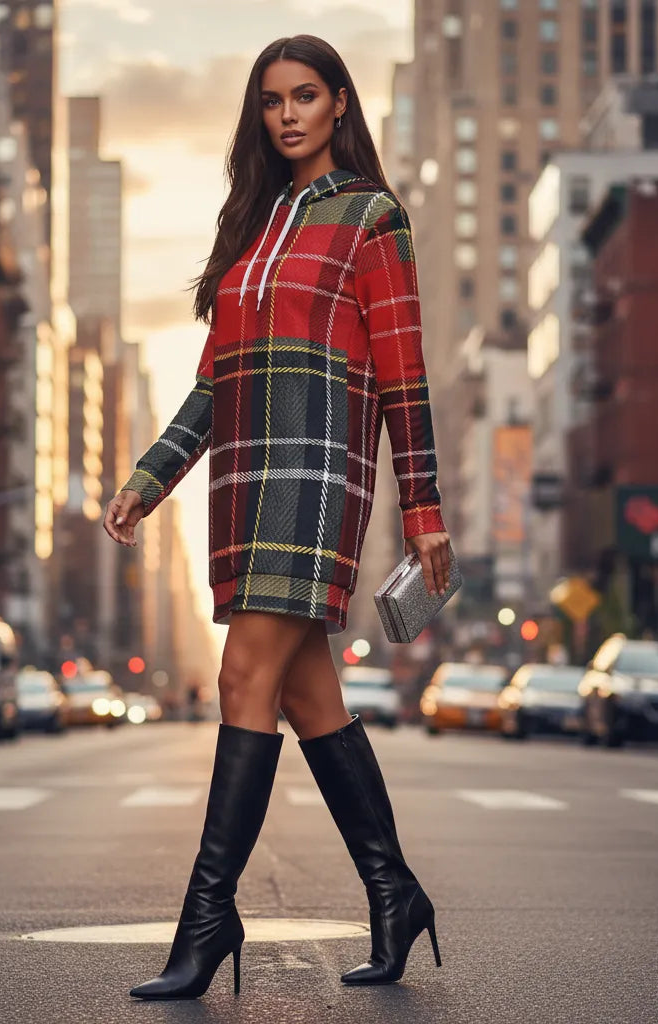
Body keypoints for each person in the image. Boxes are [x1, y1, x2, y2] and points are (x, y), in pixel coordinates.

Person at [104, 35, 449, 1001]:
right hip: (244, 480)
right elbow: (214, 384)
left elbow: (405, 373)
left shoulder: (374, 218)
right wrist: (150, 476)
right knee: (306, 697)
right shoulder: (252, 228)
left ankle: (208, 919)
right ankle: (396, 893)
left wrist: (423, 506)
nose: (288, 114)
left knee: (241, 674)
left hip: (319, 475)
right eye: (271, 101)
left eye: (305, 96)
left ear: (340, 104)